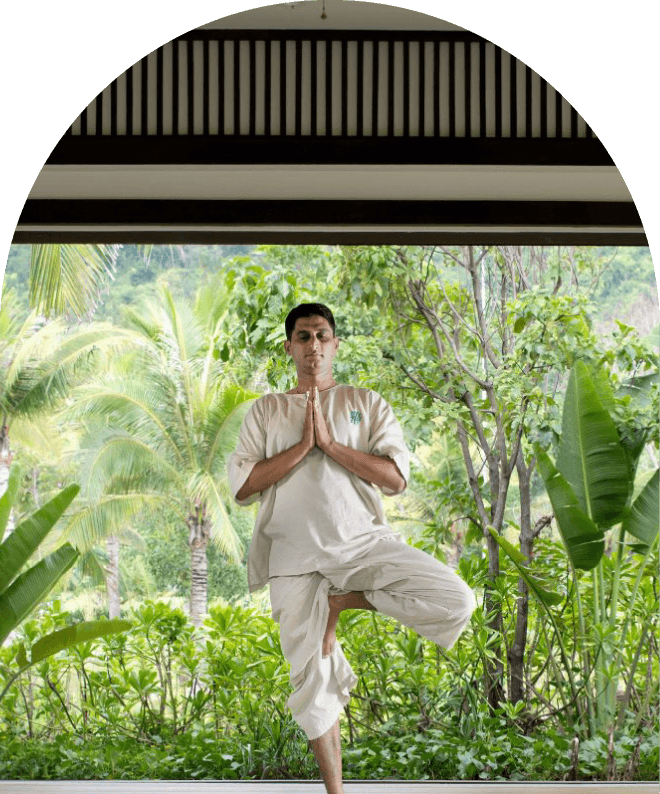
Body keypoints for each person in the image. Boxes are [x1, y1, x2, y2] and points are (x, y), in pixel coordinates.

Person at [227, 303, 476, 794]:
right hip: (294, 561)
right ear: (289, 347)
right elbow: (243, 487)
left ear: (335, 344)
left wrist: (330, 445)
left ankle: (342, 600)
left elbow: (395, 479)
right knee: (312, 686)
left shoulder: (366, 401)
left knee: (458, 601)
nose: (312, 346)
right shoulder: (268, 409)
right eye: (302, 337)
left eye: (322, 335)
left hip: (363, 545)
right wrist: (301, 447)